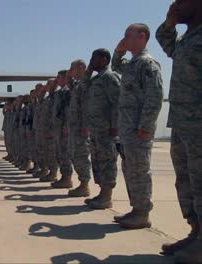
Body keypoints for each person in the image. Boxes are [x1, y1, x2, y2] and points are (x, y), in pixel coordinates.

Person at [156, 0, 202, 261]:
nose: (176, 4)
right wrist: (170, 23)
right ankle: (196, 234)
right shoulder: (186, 39)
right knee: (187, 182)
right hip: (183, 122)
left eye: (183, 1)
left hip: (199, 124)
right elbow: (167, 43)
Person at [112, 23, 163, 229]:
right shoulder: (133, 64)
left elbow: (155, 96)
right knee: (130, 169)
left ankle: (142, 213)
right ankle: (136, 209)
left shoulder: (147, 64)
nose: (124, 39)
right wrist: (118, 51)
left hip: (138, 130)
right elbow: (116, 66)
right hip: (127, 130)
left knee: (140, 170)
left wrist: (145, 126)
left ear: (142, 36)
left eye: (128, 35)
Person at [83, 49, 121, 210]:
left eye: (94, 58)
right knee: (98, 161)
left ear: (104, 60)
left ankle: (107, 197)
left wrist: (114, 126)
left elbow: (117, 103)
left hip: (107, 130)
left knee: (107, 161)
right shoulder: (96, 79)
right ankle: (102, 194)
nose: (91, 61)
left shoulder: (110, 77)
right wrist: (89, 70)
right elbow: (84, 87)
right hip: (96, 129)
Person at [66, 60, 92, 197]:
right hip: (75, 127)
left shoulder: (87, 83)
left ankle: (85, 186)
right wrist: (69, 75)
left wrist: (86, 127)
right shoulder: (77, 84)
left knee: (81, 155)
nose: (71, 70)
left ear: (81, 68)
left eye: (73, 68)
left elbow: (88, 107)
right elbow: (69, 84)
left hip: (82, 128)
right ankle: (82, 184)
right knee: (74, 154)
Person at [51, 70, 73, 189]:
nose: (56, 80)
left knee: (64, 153)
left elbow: (68, 111)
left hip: (63, 127)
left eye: (59, 77)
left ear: (65, 78)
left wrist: (67, 126)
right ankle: (64, 177)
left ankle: (67, 179)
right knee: (59, 153)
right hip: (58, 127)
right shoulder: (60, 92)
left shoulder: (68, 91)